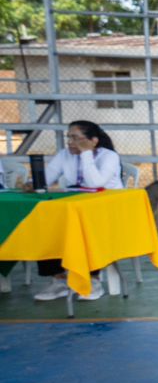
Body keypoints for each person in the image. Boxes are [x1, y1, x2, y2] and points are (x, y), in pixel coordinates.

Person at [31, 120, 123, 302]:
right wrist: (33, 183)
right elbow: (45, 180)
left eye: (75, 138)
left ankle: (93, 279)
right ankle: (59, 279)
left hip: (106, 212)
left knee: (87, 229)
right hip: (76, 208)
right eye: (69, 138)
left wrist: (86, 154)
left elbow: (95, 183)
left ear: (93, 141)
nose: (70, 142)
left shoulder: (109, 156)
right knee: (46, 225)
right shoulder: (64, 155)